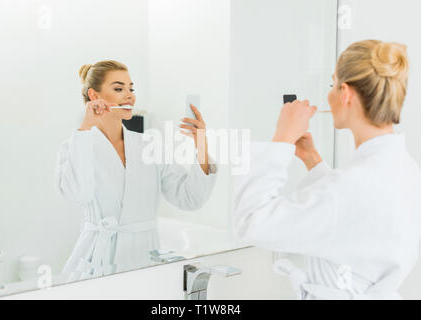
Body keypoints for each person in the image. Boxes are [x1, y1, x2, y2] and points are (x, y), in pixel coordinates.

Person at [233, 40, 421, 299]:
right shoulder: (406, 171)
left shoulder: (353, 186)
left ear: (345, 93)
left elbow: (252, 222)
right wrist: (312, 159)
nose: (328, 95)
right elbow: (352, 222)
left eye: (332, 85)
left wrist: (283, 137)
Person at [55, 60, 217, 281]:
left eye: (131, 89)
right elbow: (79, 194)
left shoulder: (150, 145)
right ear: (94, 96)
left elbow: (191, 200)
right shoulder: (76, 146)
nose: (129, 95)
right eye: (119, 88)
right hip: (96, 260)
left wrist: (200, 144)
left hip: (144, 258)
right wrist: (85, 128)